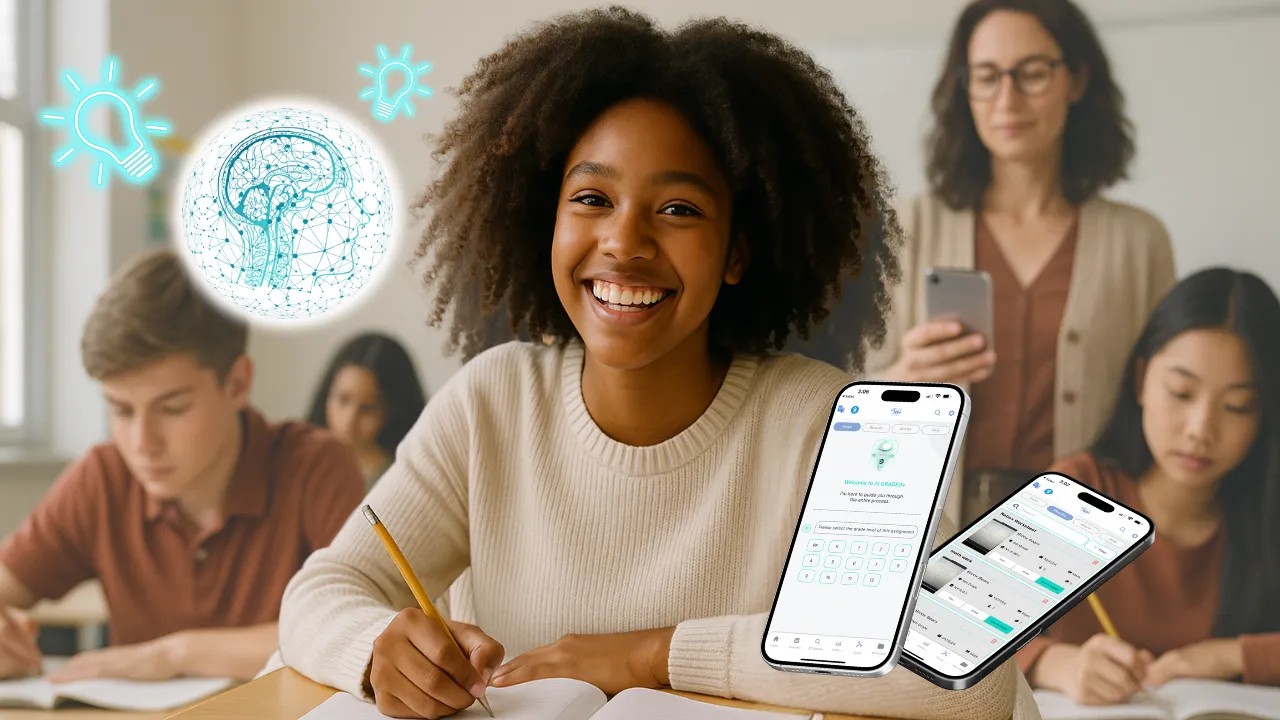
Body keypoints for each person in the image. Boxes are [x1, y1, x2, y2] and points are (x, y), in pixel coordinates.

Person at [277, 8, 1032, 720]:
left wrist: (654, 656)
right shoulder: (492, 401)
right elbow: (324, 591)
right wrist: (378, 653)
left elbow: (968, 670)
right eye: (592, 198)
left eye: (678, 209)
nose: (624, 241)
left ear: (738, 251)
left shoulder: (832, 423)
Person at [863, 0, 1176, 525]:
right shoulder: (903, 229)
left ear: (1076, 80)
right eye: (986, 76)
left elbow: (1160, 407)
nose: (1007, 98)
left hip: (1082, 536)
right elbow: (838, 397)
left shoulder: (1138, 241)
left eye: (1031, 73)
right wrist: (900, 378)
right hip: (931, 528)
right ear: (965, 89)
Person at [0, 250, 365, 682]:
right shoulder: (103, 476)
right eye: (120, 410)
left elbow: (360, 626)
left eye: (172, 409)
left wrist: (174, 655)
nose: (141, 444)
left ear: (237, 384)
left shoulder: (316, 468)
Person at [1017, 268, 1280, 703]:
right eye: (1180, 392)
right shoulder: (1075, 491)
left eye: (1237, 406)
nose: (1200, 430)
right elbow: (944, 625)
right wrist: (1056, 664)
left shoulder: (1267, 510)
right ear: (1141, 381)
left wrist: (1230, 656)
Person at [307, 332, 428, 488]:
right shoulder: (302, 464)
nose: (349, 420)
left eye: (368, 407)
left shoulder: (403, 479)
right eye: (343, 399)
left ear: (392, 410)